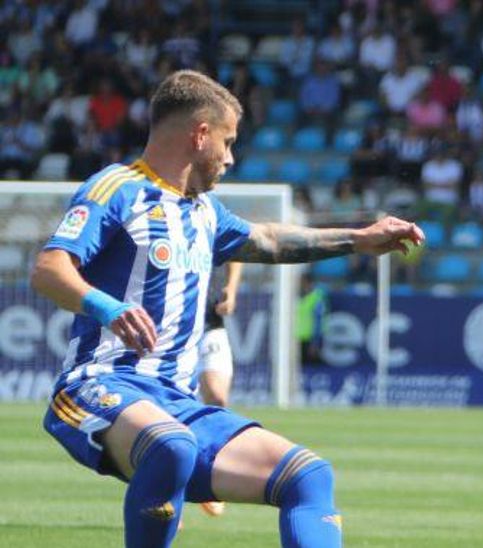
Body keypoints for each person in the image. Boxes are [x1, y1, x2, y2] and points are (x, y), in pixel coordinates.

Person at [33, 70, 424, 548]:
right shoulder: (117, 188)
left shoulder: (205, 211)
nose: (230, 157)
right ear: (200, 135)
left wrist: (358, 239)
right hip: (98, 385)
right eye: (228, 141)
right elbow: (49, 268)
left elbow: (269, 239)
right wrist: (107, 307)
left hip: (177, 402)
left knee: (309, 477)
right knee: (170, 446)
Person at [193, 260, 243, 518]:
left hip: (210, 324)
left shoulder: (210, 219)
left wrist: (231, 289)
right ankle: (166, 495)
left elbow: (235, 250)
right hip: (172, 327)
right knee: (166, 410)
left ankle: (209, 478)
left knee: (218, 397)